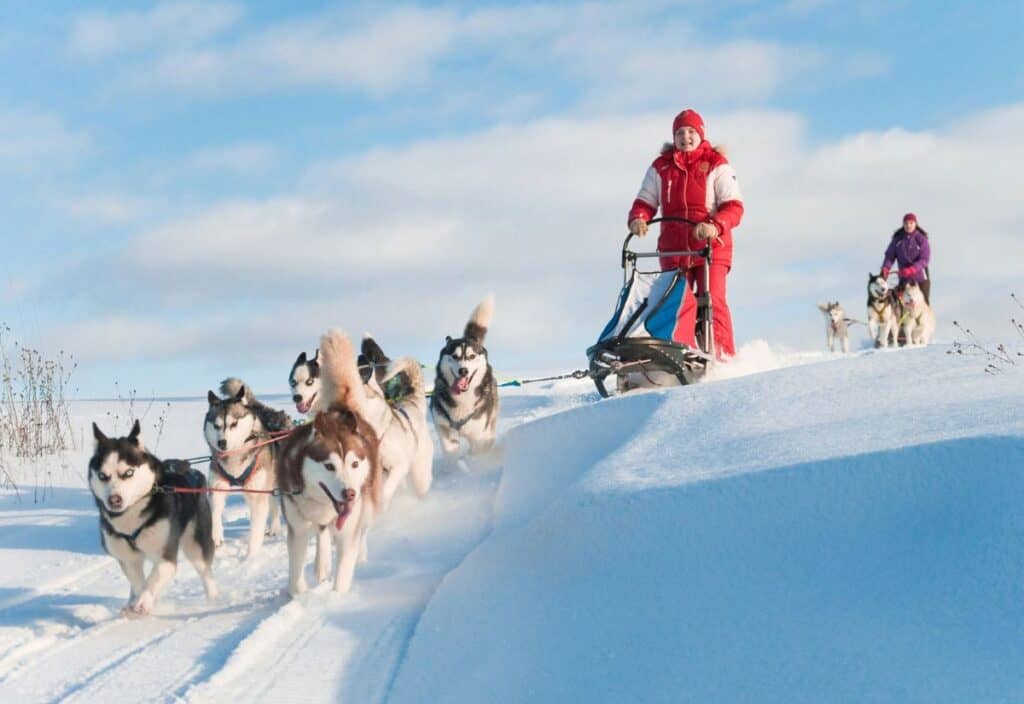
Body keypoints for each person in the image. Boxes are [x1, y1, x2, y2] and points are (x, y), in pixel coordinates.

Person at [626, 108, 744, 358]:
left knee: (712, 299)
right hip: (674, 250)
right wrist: (639, 219)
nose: (686, 137)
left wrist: (715, 225)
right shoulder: (661, 167)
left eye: (691, 132)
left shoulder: (716, 163)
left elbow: (734, 206)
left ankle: (723, 358)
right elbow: (645, 202)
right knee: (674, 303)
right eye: (680, 132)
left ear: (701, 134)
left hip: (711, 247)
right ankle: (679, 352)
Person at [880, 213, 931, 303]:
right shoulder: (897, 240)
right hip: (904, 278)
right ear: (903, 224)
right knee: (901, 303)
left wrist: (912, 269)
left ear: (915, 224)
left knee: (923, 303)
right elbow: (889, 256)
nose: (908, 225)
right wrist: (886, 267)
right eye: (906, 223)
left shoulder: (921, 239)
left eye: (911, 223)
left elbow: (925, 259)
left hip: (920, 278)